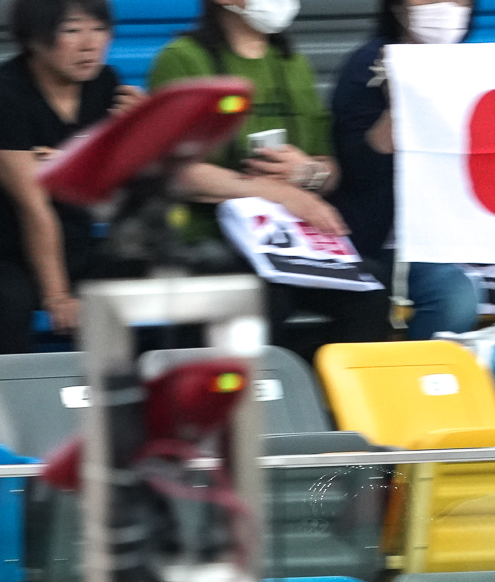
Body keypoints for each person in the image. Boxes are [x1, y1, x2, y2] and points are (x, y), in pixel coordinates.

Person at [330, 0, 495, 339]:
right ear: (396, 6)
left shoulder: (476, 66)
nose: (445, 6)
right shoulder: (368, 65)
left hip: (473, 239)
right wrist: (397, 103)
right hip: (401, 241)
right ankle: (422, 382)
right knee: (455, 298)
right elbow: (358, 168)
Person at [148, 0, 389, 354]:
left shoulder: (292, 63)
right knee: (264, 298)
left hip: (285, 242)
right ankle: (261, 400)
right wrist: (277, 192)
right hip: (207, 242)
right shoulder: (184, 59)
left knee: (371, 289)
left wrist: (305, 172)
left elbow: (331, 171)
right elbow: (177, 173)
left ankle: (329, 399)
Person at [0, 0, 142, 356]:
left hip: (75, 246)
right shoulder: (2, 95)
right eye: (71, 30)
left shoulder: (105, 85)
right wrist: (58, 295)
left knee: (161, 274)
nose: (90, 44)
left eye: (99, 29)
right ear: (33, 40)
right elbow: (33, 206)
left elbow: (120, 184)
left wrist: (139, 129)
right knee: (8, 301)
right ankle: (11, 405)